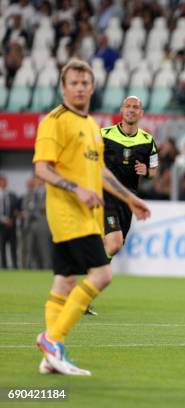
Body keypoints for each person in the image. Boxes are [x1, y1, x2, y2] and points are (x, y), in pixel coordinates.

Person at [33, 59, 150, 376]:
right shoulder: (55, 121)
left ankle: (50, 358)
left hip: (88, 213)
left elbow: (100, 172)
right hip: (68, 213)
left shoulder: (90, 125)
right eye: (74, 83)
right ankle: (52, 339)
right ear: (63, 87)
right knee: (102, 275)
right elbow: (42, 168)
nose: (80, 88)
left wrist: (130, 198)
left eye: (85, 83)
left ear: (92, 87)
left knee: (65, 282)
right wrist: (77, 189)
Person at [101, 96, 158, 259]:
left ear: (141, 113)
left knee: (116, 245)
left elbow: (153, 172)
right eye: (128, 106)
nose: (131, 110)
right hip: (106, 194)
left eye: (135, 107)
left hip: (128, 199)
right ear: (122, 110)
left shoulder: (148, 141)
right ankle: (96, 272)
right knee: (114, 244)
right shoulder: (104, 135)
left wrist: (146, 171)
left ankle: (96, 270)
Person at [0, 174, 19, 269]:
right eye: (3, 181)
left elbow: (15, 210)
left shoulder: (11, 195)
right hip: (1, 226)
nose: (4, 183)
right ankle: (4, 266)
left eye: (5, 181)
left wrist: (12, 219)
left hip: (11, 226)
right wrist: (4, 220)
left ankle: (15, 266)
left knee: (13, 246)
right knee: (2, 247)